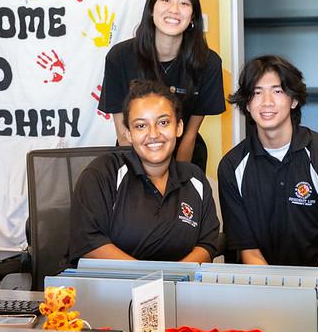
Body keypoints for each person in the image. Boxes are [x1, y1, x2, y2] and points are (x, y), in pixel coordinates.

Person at [217, 55, 318, 272]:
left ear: (294, 100)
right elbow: (249, 251)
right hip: (262, 287)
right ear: (247, 103)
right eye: (257, 92)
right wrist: (276, 296)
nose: (267, 102)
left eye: (277, 91)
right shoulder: (231, 166)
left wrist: (314, 295)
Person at [69, 79, 220, 262]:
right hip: (112, 286)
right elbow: (88, 241)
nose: (154, 134)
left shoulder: (195, 179)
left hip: (176, 286)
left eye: (163, 122)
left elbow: (207, 243)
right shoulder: (103, 173)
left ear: (178, 127)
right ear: (128, 133)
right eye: (141, 126)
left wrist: (173, 280)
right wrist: (150, 281)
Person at [98, 0, 225, 172]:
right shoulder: (119, 57)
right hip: (133, 157)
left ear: (192, 16)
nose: (174, 10)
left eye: (184, 3)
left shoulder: (208, 63)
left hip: (185, 156)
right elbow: (123, 132)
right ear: (151, 9)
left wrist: (177, 180)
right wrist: (141, 179)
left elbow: (190, 134)